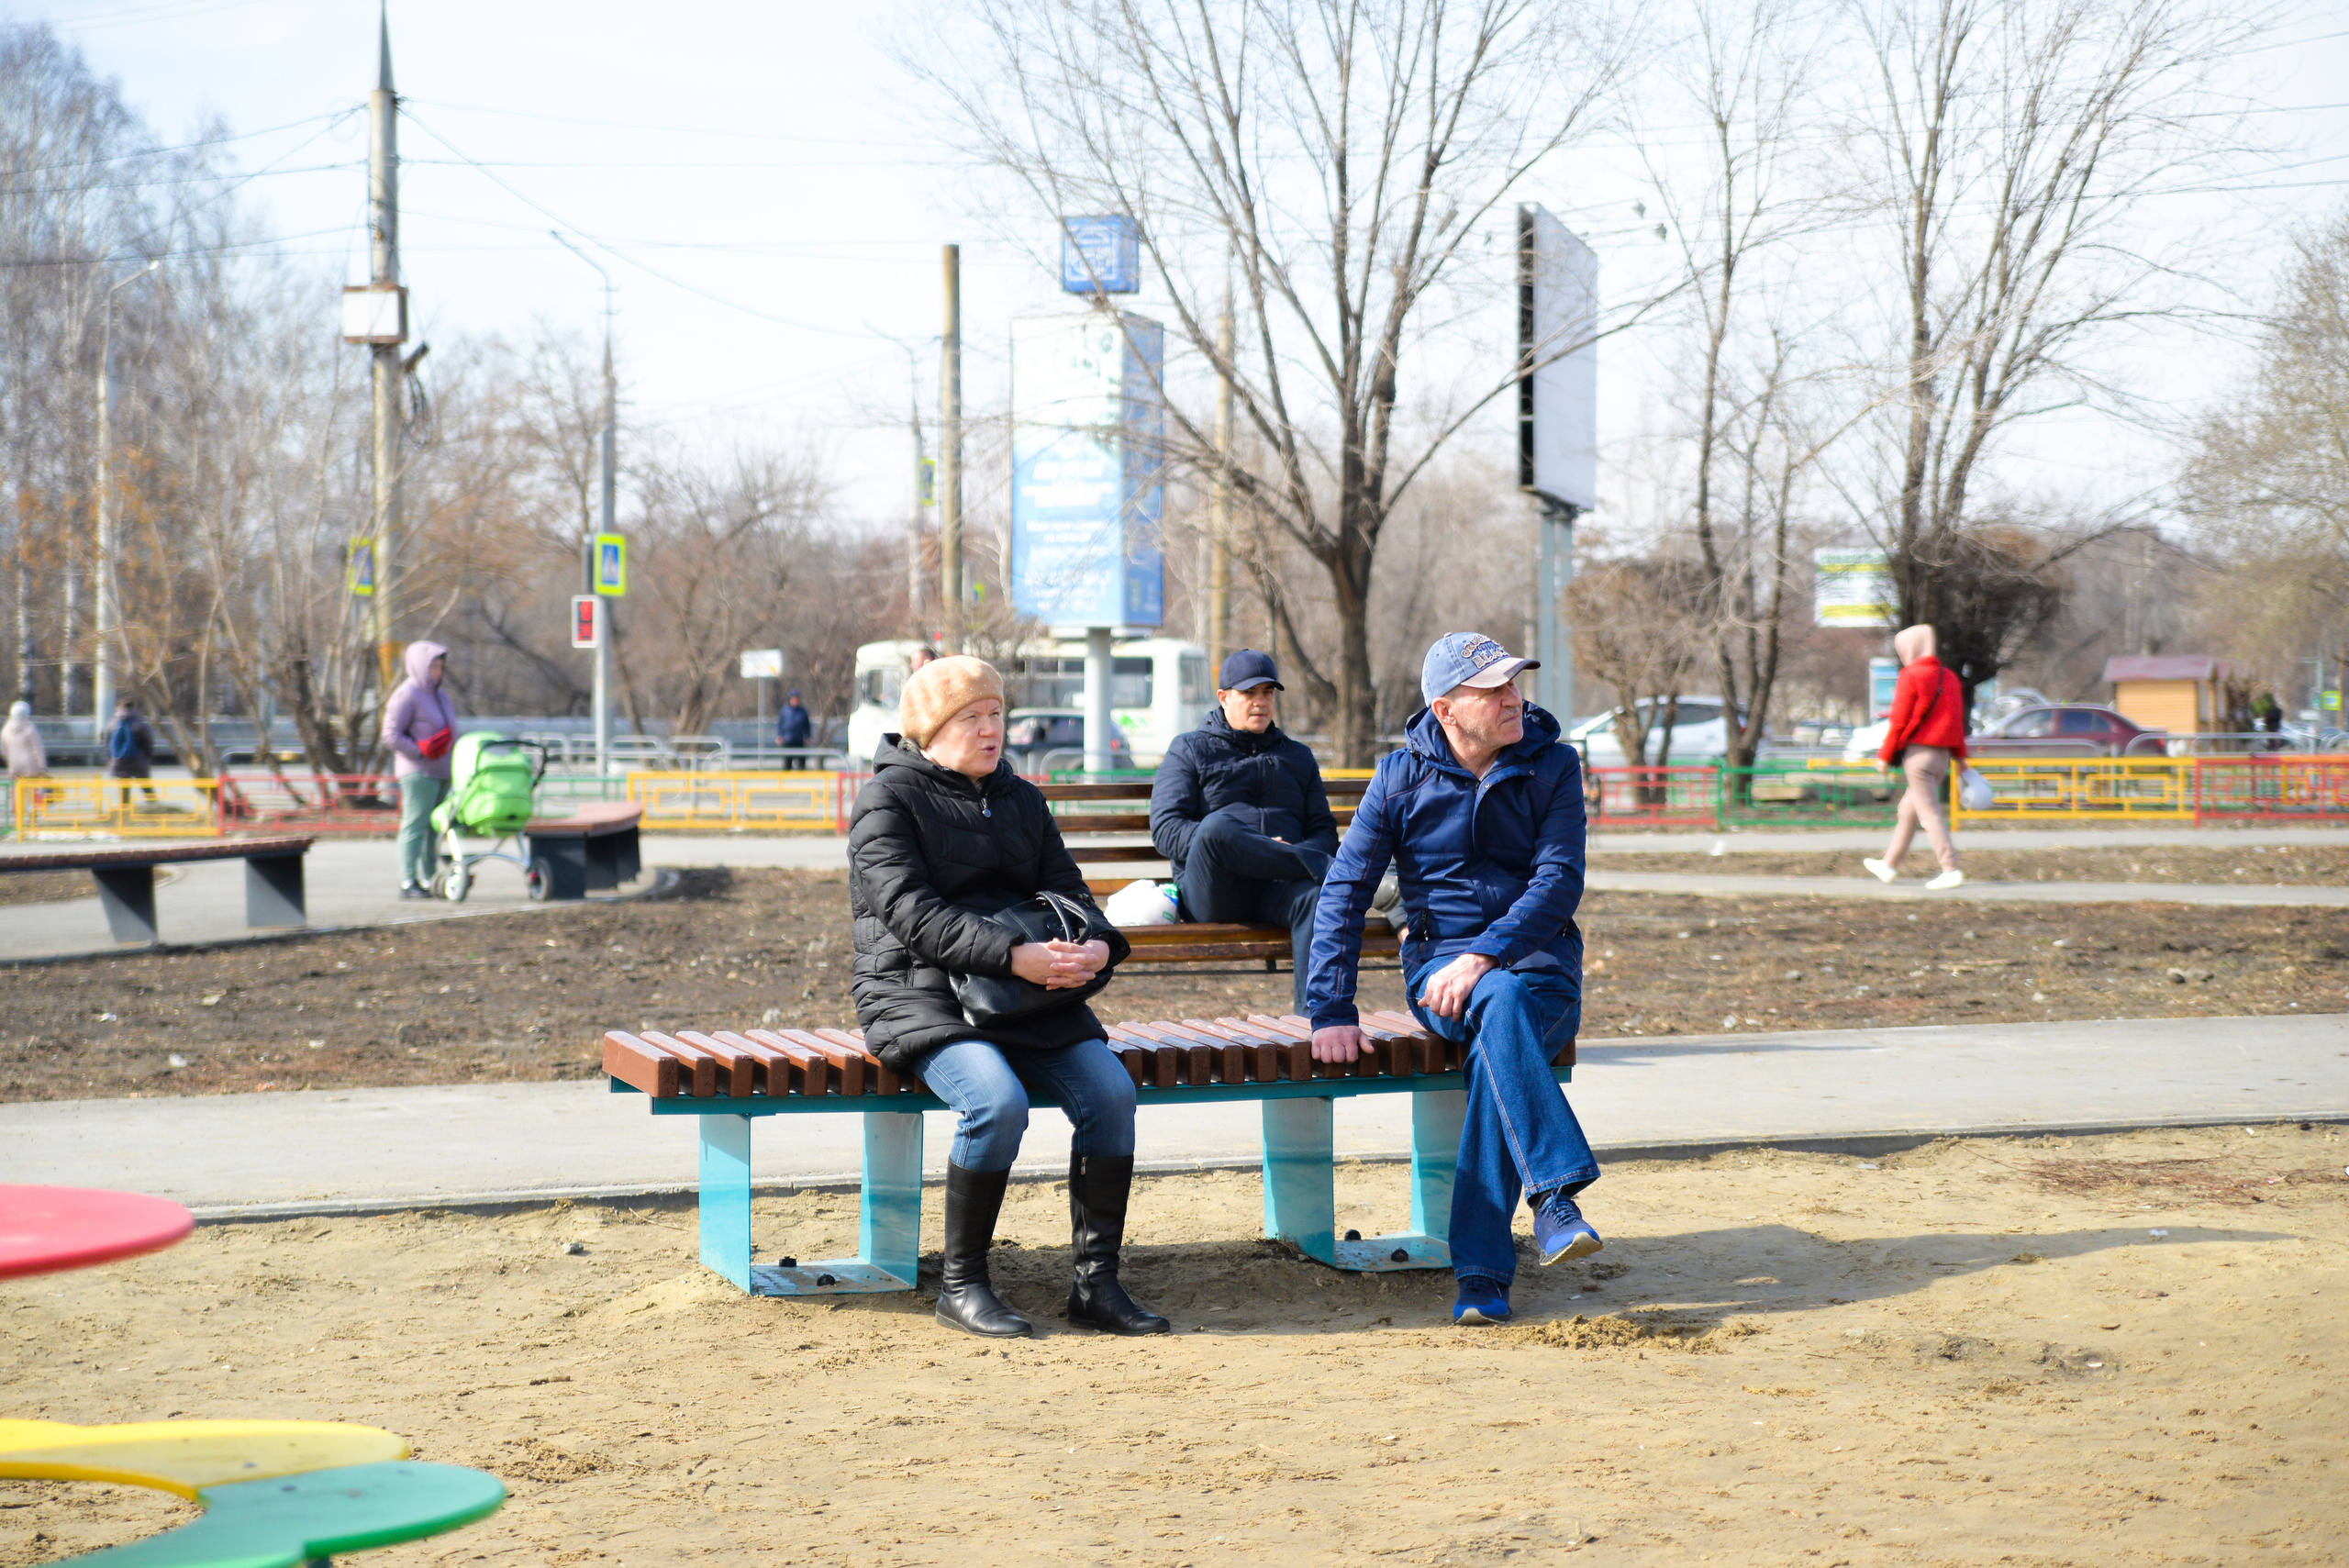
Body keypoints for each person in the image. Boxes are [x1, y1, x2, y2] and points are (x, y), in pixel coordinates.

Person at [848, 654, 1167, 1340]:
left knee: (1111, 1093)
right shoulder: (886, 800)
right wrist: (1013, 953)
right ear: (931, 728)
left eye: (996, 714)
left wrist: (1097, 946)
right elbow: (912, 915)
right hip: (916, 991)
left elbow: (1071, 892)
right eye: (972, 717)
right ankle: (962, 1285)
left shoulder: (1020, 796)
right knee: (996, 1103)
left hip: (1023, 995)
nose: (991, 729)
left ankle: (1096, 1285)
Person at [1305, 632, 1601, 1329]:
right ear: (1446, 709)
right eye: (1493, 690)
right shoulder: (1398, 777)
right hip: (1441, 976)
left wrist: (1487, 953)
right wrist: (1331, 1008)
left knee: (1502, 1006)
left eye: (1514, 684)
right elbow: (1344, 891)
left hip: (1543, 969)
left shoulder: (1554, 764)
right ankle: (1552, 1200)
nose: (1513, 699)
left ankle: (1483, 1275)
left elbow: (1559, 881)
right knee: (1498, 1002)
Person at [1148, 649, 1337, 1011]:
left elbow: (1324, 832)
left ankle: (1315, 1022)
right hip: (1216, 890)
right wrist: (1253, 847)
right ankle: (1332, 872)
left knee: (1315, 898)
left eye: (1268, 692)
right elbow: (1167, 829)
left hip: (1277, 887)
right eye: (1249, 693)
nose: (1260, 702)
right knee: (1216, 827)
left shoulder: (1297, 757)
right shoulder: (1189, 748)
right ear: (1223, 698)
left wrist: (1277, 856)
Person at [1864, 624, 1966, 890]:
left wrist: (1884, 756)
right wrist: (1960, 757)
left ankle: (1950, 868)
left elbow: (1899, 721)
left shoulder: (1911, 675)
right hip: (1942, 757)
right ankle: (1889, 864)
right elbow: (1956, 721)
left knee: (1929, 813)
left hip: (1918, 757)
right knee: (1908, 810)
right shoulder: (1949, 677)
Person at [381, 640, 457, 899]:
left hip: (442, 771)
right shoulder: (407, 694)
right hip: (418, 772)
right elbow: (390, 735)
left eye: (441, 667)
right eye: (433, 666)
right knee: (415, 824)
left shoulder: (440, 695)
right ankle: (408, 881)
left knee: (434, 828)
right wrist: (419, 751)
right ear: (419, 666)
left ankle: (430, 878)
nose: (438, 672)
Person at [104, 697, 157, 806]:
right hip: (138, 761)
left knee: (124, 788)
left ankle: (125, 810)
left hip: (119, 762)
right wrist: (148, 758)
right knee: (146, 786)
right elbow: (148, 743)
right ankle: (154, 807)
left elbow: (107, 744)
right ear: (134, 708)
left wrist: (110, 760)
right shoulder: (139, 723)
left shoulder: (112, 723)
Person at [3, 700, 46, 828]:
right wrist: (42, 766)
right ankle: (33, 816)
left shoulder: (5, 729)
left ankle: (18, 818)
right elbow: (37, 749)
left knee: (17, 792)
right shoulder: (30, 728)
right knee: (33, 790)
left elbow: (3, 749)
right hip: (30, 766)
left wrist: (10, 760)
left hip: (14, 766)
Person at [777, 689, 814, 769]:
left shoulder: (803, 712)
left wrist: (808, 736)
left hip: (799, 740)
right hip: (788, 740)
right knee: (787, 763)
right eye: (793, 699)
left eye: (797, 699)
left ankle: (801, 776)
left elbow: (807, 725)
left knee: (801, 763)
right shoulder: (784, 711)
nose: (795, 701)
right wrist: (779, 736)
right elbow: (780, 724)